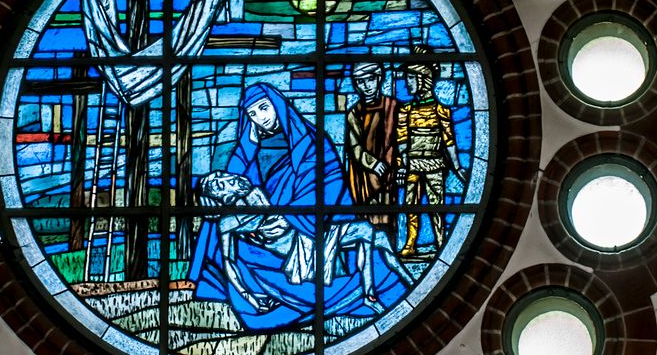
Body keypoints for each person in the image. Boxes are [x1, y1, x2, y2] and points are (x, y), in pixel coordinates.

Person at [187, 83, 408, 330]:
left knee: (369, 242)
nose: (261, 118)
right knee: (215, 225)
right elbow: (233, 186)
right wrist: (247, 148)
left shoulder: (311, 142)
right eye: (252, 114)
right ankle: (212, 285)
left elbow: (328, 184)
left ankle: (366, 293)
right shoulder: (248, 150)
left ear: (278, 105)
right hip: (266, 237)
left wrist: (288, 217)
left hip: (305, 225)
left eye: (264, 108)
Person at [198, 171, 411, 313]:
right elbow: (229, 262)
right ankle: (370, 295)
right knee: (365, 230)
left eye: (221, 175)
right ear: (221, 198)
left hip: (305, 231)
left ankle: (405, 284)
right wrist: (251, 299)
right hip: (297, 247)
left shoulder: (255, 192)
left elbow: (285, 211)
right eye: (219, 184)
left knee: (379, 237)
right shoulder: (227, 222)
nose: (226, 178)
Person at [395, 59, 467, 257]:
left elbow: (449, 141)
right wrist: (402, 165)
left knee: (437, 206)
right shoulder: (405, 110)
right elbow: (402, 141)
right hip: (412, 164)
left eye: (411, 78)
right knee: (411, 206)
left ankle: (441, 242)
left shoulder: (440, 110)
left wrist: (457, 167)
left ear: (424, 80)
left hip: (434, 164)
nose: (407, 83)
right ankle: (411, 243)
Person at [344, 62, 399, 243]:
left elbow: (400, 140)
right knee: (367, 222)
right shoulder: (354, 113)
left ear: (379, 78)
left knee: (387, 218)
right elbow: (355, 148)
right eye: (360, 81)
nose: (366, 85)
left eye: (370, 79)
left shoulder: (392, 106)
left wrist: (395, 164)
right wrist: (373, 164)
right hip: (364, 175)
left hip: (389, 171)